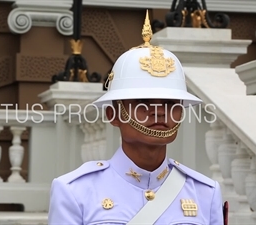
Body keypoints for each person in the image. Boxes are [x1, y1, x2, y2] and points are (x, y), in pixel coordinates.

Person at [47, 10, 225, 225]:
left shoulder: (205, 193)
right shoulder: (74, 191)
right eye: (144, 102)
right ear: (113, 115)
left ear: (181, 112)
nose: (159, 111)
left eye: (170, 103)